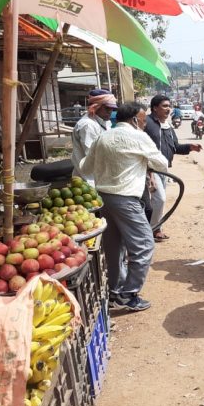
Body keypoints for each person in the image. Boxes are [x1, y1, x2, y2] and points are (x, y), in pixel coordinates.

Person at [80, 102, 168, 312]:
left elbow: (85, 168)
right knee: (144, 244)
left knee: (114, 247)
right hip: (126, 199)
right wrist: (141, 161)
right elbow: (162, 164)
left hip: (103, 199)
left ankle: (114, 292)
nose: (143, 125)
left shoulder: (103, 137)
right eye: (143, 121)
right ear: (135, 120)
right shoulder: (138, 137)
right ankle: (128, 294)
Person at [145, 95, 202, 242]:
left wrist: (190, 147)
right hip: (150, 169)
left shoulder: (168, 126)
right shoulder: (148, 124)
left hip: (163, 169)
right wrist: (148, 171)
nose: (168, 109)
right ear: (154, 108)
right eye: (164, 106)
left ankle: (155, 228)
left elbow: (175, 147)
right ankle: (152, 230)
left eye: (169, 106)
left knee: (156, 201)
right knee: (160, 199)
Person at [71, 89, 118, 182]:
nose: (110, 111)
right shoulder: (88, 125)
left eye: (112, 109)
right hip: (90, 179)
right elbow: (92, 154)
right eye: (107, 108)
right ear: (96, 107)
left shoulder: (104, 122)